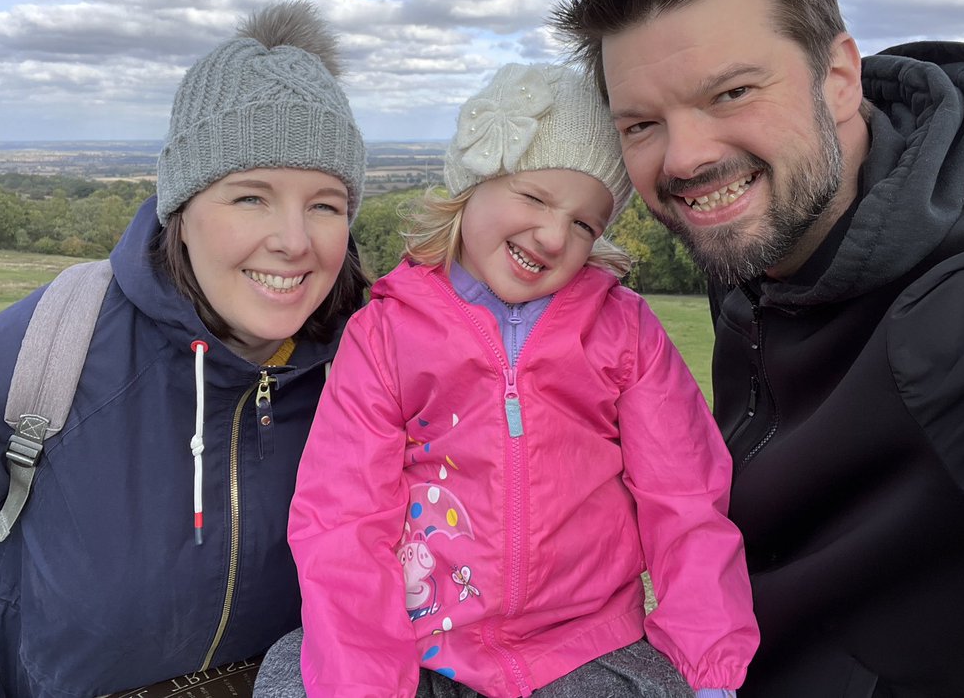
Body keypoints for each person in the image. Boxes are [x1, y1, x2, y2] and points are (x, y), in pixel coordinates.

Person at [550, 0, 964, 697]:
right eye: (641, 124)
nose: (685, 159)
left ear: (838, 77)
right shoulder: (767, 244)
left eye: (731, 93)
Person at [0, 0, 371, 697]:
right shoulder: (37, 352)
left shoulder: (378, 369)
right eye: (251, 198)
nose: (294, 240)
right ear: (182, 206)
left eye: (325, 204)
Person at [254, 62, 758, 698]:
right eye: (535, 197)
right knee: (290, 675)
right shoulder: (384, 334)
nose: (553, 236)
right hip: (416, 644)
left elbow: (685, 499)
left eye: (584, 224)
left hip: (584, 647)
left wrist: (709, 667)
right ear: (473, 187)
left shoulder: (624, 331)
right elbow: (344, 517)